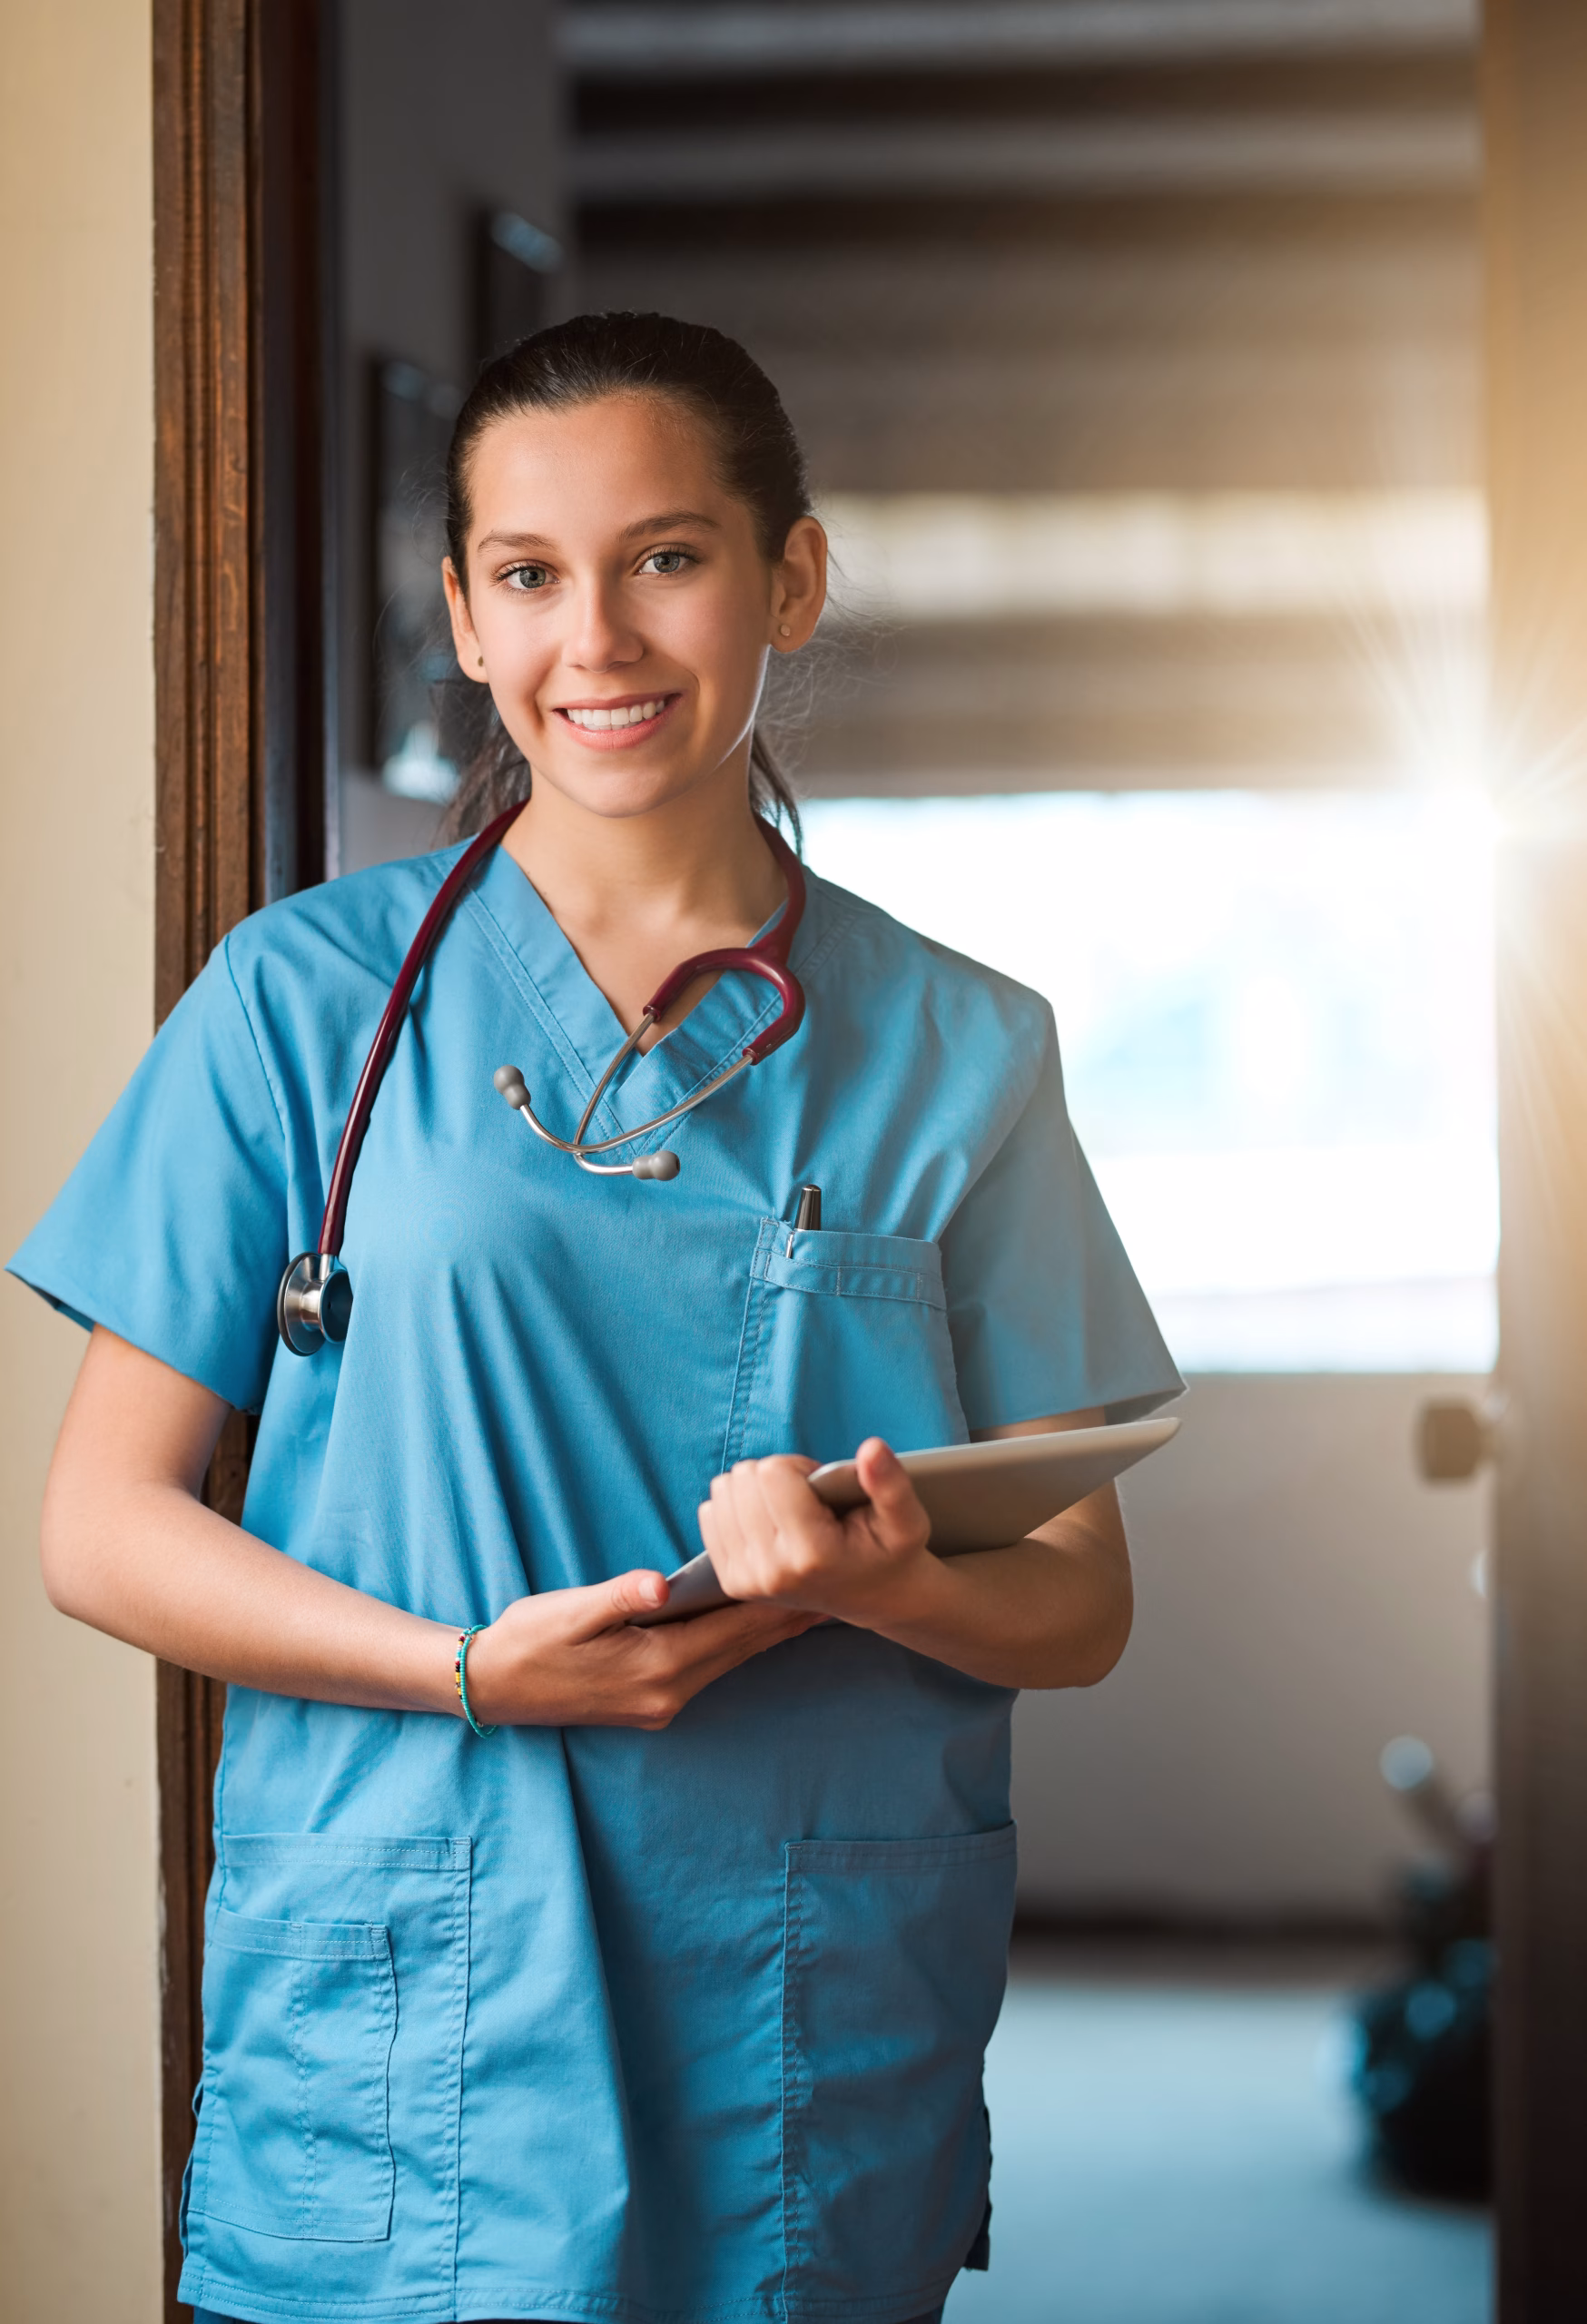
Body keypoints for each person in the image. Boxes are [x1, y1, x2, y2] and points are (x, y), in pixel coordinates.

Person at [12, 311, 1180, 2324]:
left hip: (791, 2013)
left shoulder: (965, 1049)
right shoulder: (299, 1008)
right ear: (464, 617)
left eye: (667, 557)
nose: (600, 642)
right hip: (399, 2008)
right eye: (531, 575)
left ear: (786, 577)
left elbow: (1078, 1594)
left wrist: (874, 1580)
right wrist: (471, 1669)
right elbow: (101, 1527)